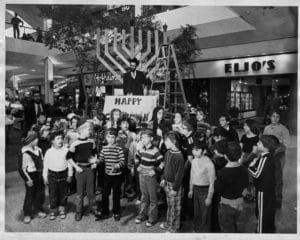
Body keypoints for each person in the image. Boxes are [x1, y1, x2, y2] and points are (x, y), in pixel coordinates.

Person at [66, 122, 98, 221]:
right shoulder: (75, 143)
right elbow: (68, 157)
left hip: (90, 169)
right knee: (79, 192)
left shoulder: (91, 141)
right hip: (80, 170)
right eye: (88, 129)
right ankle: (78, 211)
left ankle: (93, 208)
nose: (90, 131)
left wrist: (94, 162)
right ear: (82, 130)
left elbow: (94, 153)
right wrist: (76, 167)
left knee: (91, 191)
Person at [214, 142, 248, 233]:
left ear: (225, 156)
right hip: (240, 205)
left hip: (226, 206)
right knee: (235, 227)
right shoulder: (244, 169)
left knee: (227, 230)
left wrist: (215, 181)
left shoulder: (223, 172)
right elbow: (245, 186)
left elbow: (218, 190)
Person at [135, 129, 164, 227]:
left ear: (151, 139)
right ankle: (142, 215)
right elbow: (136, 158)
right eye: (142, 137)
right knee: (144, 197)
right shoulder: (141, 148)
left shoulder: (155, 150)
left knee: (152, 198)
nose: (143, 139)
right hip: (141, 176)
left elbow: (162, 163)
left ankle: (152, 218)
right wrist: (137, 165)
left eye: (145, 137)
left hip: (151, 178)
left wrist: (155, 171)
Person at [248, 135, 277, 233]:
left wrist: (251, 166)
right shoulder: (270, 157)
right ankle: (270, 230)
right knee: (268, 212)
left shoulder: (264, 159)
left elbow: (256, 174)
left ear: (265, 146)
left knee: (261, 213)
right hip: (269, 190)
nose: (257, 144)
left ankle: (260, 233)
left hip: (262, 191)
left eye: (259, 143)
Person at [263, 110, 290, 209]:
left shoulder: (284, 129)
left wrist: (276, 150)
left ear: (279, 118)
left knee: (278, 178)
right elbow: (264, 140)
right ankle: (269, 197)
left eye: (277, 116)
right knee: (269, 176)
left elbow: (286, 144)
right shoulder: (267, 128)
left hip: (279, 155)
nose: (275, 118)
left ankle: (278, 200)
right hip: (268, 154)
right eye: (273, 116)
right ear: (270, 117)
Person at [43, 131, 73, 220]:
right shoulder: (49, 152)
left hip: (64, 174)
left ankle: (62, 210)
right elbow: (45, 165)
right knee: (53, 194)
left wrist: (70, 175)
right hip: (52, 175)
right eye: (58, 139)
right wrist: (45, 176)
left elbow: (70, 163)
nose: (60, 140)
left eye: (61, 138)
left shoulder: (66, 150)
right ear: (52, 141)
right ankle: (53, 210)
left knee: (63, 194)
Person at [159, 131, 185, 233]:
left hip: (175, 187)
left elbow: (179, 175)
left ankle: (174, 228)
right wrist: (163, 178)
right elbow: (165, 168)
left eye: (166, 140)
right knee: (170, 206)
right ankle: (169, 223)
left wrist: (175, 188)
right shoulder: (167, 152)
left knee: (175, 209)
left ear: (173, 141)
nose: (164, 142)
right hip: (167, 184)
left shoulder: (179, 157)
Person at [19, 131, 46, 224]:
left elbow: (42, 161)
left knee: (40, 193)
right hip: (31, 176)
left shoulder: (39, 149)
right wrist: (27, 179)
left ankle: (38, 209)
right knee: (30, 195)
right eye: (36, 139)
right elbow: (22, 169)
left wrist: (44, 174)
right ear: (31, 140)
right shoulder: (24, 152)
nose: (38, 140)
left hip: (39, 174)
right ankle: (27, 213)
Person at [97, 128, 125, 221]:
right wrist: (96, 161)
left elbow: (122, 161)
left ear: (116, 138)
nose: (111, 139)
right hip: (107, 175)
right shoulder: (104, 149)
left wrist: (118, 165)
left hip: (117, 176)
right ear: (106, 138)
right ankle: (105, 211)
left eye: (113, 137)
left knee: (116, 194)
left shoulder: (119, 149)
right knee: (105, 194)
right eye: (109, 137)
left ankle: (116, 212)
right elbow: (101, 160)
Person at [188, 142, 215, 232]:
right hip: (196, 189)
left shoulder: (209, 164)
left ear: (204, 151)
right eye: (193, 150)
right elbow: (192, 175)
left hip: (205, 190)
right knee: (197, 213)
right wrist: (191, 189)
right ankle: (197, 230)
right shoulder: (194, 160)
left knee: (205, 214)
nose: (194, 152)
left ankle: (205, 233)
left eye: (197, 150)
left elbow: (212, 182)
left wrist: (209, 197)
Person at [240, 119, 259, 202]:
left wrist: (246, 160)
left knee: (252, 178)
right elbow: (240, 148)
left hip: (252, 159)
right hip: (244, 157)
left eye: (245, 125)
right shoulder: (244, 137)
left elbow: (254, 152)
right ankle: (248, 193)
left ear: (250, 127)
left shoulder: (256, 138)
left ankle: (254, 194)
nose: (244, 127)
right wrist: (240, 158)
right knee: (245, 178)